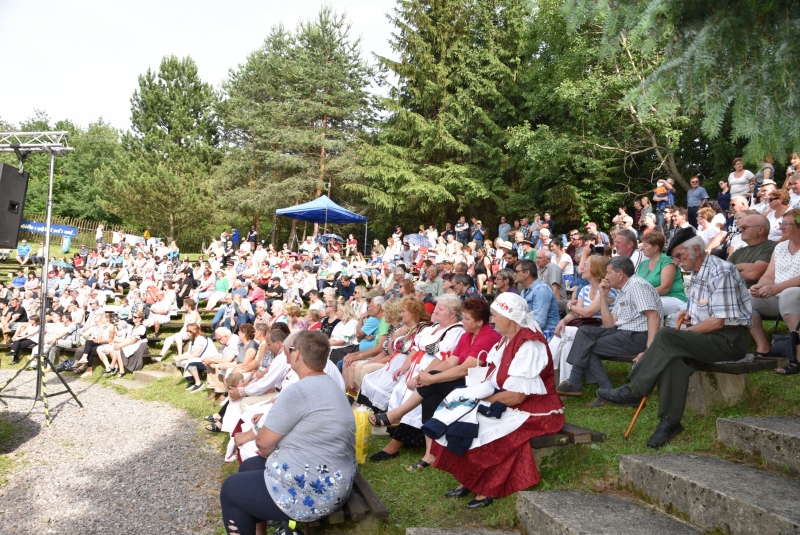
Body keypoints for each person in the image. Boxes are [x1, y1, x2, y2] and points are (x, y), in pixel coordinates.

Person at [597, 231, 752, 448]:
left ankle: (634, 390)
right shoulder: (697, 272)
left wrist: (683, 335)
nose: (677, 262)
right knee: (673, 359)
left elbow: (718, 322)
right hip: (708, 336)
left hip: (730, 339)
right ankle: (669, 422)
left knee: (667, 336)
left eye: (679, 256)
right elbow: (705, 309)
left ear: (696, 250)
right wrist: (690, 314)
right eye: (675, 259)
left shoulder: (721, 271)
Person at [422, 292, 563, 508]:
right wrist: (472, 395)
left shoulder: (529, 345)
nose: (493, 320)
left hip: (534, 409)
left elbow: (518, 395)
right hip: (511, 401)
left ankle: (488, 486)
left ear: (510, 317)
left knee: (485, 431)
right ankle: (469, 479)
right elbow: (495, 377)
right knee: (455, 416)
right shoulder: (507, 340)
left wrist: (480, 399)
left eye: (496, 316)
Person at [219, 330, 356, 533]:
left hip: (315, 492)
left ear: (298, 355)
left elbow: (263, 443)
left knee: (230, 490)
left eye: (289, 351)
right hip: (336, 480)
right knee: (249, 466)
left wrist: (269, 447)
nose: (287, 355)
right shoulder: (330, 384)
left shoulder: (298, 390)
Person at [556, 256, 663, 397]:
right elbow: (609, 324)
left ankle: (600, 389)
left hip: (637, 336)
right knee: (584, 332)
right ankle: (577, 382)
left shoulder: (637, 285)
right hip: (622, 332)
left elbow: (653, 316)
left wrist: (650, 349)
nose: (605, 276)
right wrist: (603, 296)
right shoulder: (623, 290)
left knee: (588, 347)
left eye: (608, 273)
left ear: (620, 274)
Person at [746, 209, 800, 368]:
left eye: (786, 224)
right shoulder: (780, 247)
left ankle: (797, 355)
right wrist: (760, 285)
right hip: (779, 295)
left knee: (789, 294)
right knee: (747, 296)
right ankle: (763, 346)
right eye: (781, 224)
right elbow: (769, 275)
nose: (781, 228)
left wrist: (776, 289)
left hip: (794, 295)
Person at [637, 232, 687, 315]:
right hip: (651, 298)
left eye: (645, 245)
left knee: (644, 306)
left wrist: (642, 295)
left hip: (673, 297)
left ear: (656, 248)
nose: (642, 248)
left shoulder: (667, 261)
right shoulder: (643, 264)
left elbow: (665, 288)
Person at [727, 214, 776, 288]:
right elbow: (723, 272)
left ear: (760, 230)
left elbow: (753, 274)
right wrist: (749, 266)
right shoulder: (738, 252)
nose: (740, 230)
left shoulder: (773, 246)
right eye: (740, 227)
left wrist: (735, 267)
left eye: (744, 227)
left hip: (753, 295)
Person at [514, 259, 559, 332]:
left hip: (547, 336)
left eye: (517, 271)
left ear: (527, 273)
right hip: (531, 333)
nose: (514, 274)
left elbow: (539, 323)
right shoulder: (524, 291)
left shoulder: (541, 290)